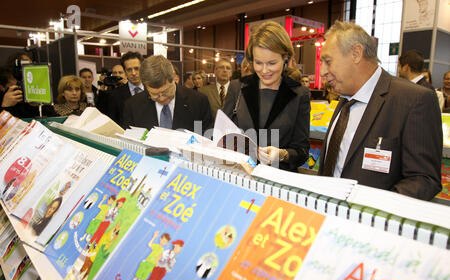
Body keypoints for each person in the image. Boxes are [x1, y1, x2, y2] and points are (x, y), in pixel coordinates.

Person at [317, 21, 442, 201]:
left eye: (328, 62)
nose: (322, 72)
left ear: (356, 53)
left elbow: (424, 180)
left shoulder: (413, 101)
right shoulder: (344, 100)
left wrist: (371, 209)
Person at [223, 21, 311, 172]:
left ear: (285, 58)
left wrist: (282, 155)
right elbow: (220, 133)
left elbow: (302, 152)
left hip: (277, 179)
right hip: (239, 175)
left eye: (271, 63)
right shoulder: (237, 88)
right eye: (258, 63)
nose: (264, 70)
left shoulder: (299, 94)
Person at [121, 55, 213, 133]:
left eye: (165, 92)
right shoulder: (133, 106)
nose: (161, 98)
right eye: (154, 94)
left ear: (174, 77)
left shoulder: (198, 102)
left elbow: (203, 137)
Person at [107, 51, 144, 124]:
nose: (133, 73)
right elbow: (113, 123)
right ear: (125, 72)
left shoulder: (152, 91)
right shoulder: (114, 95)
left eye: (136, 68)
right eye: (129, 70)